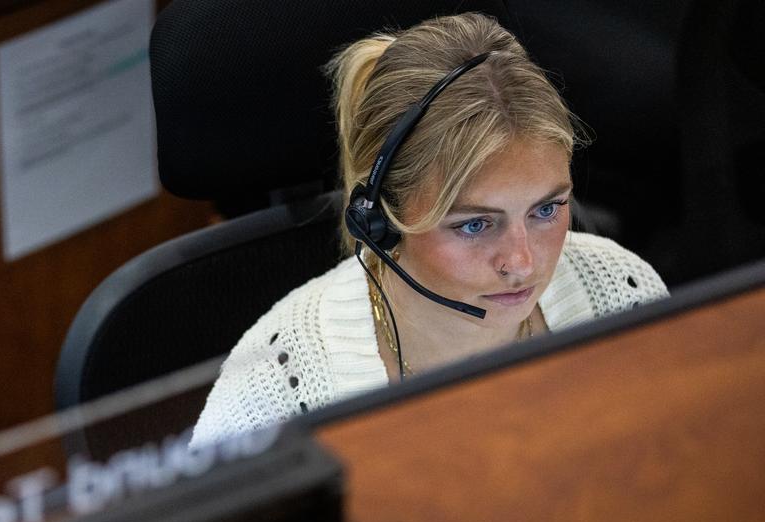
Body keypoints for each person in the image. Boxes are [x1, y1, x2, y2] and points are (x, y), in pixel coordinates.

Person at [191, 13, 667, 446]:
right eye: (476, 224)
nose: (523, 263)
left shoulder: (620, 292)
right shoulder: (272, 396)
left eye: (546, 210)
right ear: (380, 220)